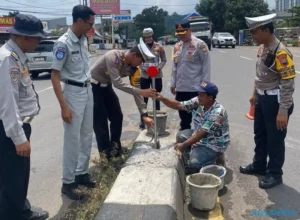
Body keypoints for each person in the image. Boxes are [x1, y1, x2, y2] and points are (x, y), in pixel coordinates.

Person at [0, 14, 49, 220]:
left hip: (15, 127)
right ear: (25, 37)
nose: (39, 41)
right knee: (13, 179)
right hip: (10, 130)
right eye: (37, 38)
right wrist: (19, 138)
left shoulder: (16, 55)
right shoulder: (8, 59)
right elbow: (7, 103)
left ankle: (21, 210)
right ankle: (15, 215)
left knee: (16, 178)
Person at [240, 13, 295, 189]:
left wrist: (283, 111)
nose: (253, 36)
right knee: (260, 135)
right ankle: (259, 165)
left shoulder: (281, 53)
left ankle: (275, 174)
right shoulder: (264, 48)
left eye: (255, 32)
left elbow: (288, 84)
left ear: (266, 30)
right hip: (262, 99)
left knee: (275, 140)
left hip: (275, 102)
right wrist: (254, 93)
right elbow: (260, 75)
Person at [51, 5, 96, 200]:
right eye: (89, 23)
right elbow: (54, 76)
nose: (91, 28)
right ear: (79, 21)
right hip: (73, 92)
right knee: (72, 139)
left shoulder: (84, 39)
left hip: (87, 90)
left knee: (86, 135)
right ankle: (67, 183)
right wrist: (63, 106)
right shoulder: (63, 43)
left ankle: (81, 173)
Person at [91, 38, 156, 160]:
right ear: (133, 55)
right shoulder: (113, 56)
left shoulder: (132, 68)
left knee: (117, 116)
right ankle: (105, 156)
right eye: (140, 60)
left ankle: (115, 148)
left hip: (106, 86)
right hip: (94, 87)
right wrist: (141, 91)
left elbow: (135, 90)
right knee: (101, 123)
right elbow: (118, 83)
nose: (140, 64)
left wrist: (144, 114)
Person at [157, 81, 230, 175]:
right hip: (201, 136)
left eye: (201, 95)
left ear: (210, 97)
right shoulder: (198, 101)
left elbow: (202, 133)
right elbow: (179, 105)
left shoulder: (218, 112)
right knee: (181, 136)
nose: (198, 96)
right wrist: (162, 99)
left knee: (195, 163)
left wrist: (183, 145)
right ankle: (191, 161)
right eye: (199, 94)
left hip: (213, 144)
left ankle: (215, 159)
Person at [171, 20, 211, 131]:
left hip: (195, 88)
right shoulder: (177, 46)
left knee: (199, 117)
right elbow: (175, 66)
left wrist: (204, 87)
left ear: (190, 30)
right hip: (181, 87)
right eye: (178, 33)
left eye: (183, 32)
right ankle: (185, 136)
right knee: (183, 117)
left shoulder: (200, 45)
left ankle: (199, 140)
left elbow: (206, 67)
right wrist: (173, 83)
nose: (181, 35)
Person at [139, 28, 167, 129]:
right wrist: (143, 69)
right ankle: (143, 120)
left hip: (157, 75)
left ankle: (157, 118)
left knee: (156, 96)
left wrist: (158, 68)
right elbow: (138, 61)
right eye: (146, 37)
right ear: (144, 38)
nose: (148, 39)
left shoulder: (159, 47)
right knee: (144, 99)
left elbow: (164, 60)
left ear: (152, 36)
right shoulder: (141, 48)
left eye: (150, 37)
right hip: (145, 75)